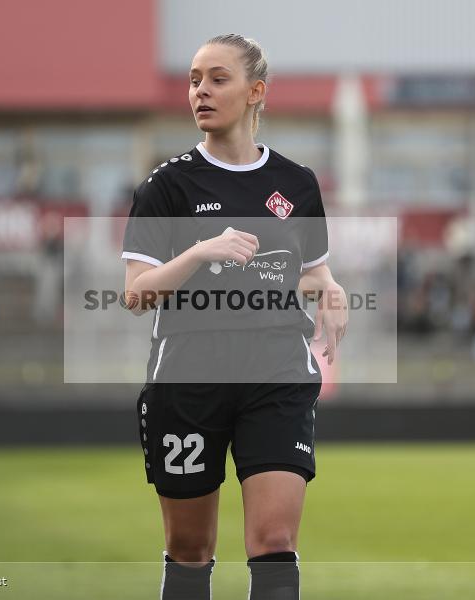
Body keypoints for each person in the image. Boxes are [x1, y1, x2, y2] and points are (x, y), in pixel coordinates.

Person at [121, 34, 348, 600]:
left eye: (217, 79)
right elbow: (136, 295)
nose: (200, 90)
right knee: (190, 549)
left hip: (277, 374)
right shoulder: (166, 186)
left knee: (274, 540)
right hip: (187, 380)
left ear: (255, 92)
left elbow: (311, 271)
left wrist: (331, 289)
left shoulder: (297, 184)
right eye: (194, 80)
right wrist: (201, 251)